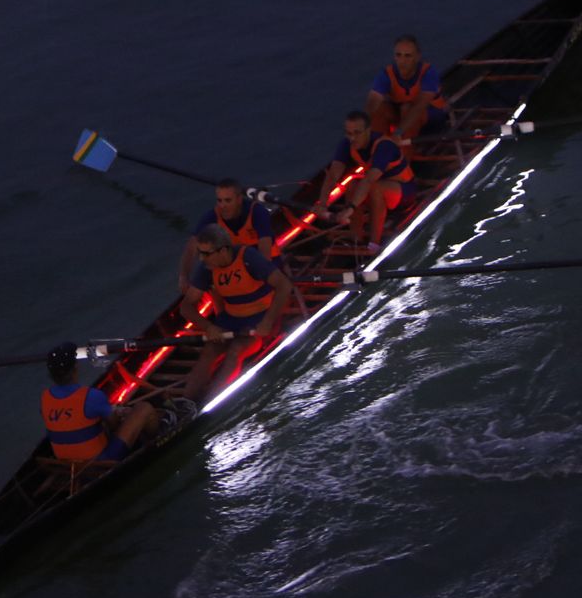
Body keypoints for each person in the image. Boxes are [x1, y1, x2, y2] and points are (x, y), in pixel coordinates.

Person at [179, 224, 292, 403]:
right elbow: (185, 307)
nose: (202, 258)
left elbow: (284, 286)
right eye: (200, 253)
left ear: (223, 250)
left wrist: (268, 322)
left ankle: (212, 402)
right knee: (209, 351)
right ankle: (185, 404)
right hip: (230, 320)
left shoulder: (249, 258)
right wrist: (209, 327)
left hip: (260, 317)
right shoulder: (207, 268)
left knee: (235, 351)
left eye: (206, 253)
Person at [313, 110, 415, 252]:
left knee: (373, 187)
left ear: (368, 131)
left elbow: (369, 180)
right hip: (380, 193)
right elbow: (333, 175)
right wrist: (322, 203)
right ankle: (356, 241)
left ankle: (374, 245)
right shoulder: (346, 145)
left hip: (405, 194)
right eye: (348, 133)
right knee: (352, 185)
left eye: (357, 133)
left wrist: (349, 209)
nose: (352, 138)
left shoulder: (384, 146)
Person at [42, 343, 158, 462]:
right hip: (101, 461)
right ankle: (160, 433)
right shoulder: (91, 396)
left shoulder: (45, 398)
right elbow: (114, 425)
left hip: (66, 463)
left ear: (51, 375)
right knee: (144, 408)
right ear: (76, 367)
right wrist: (122, 414)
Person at [178, 179, 273, 295]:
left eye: (228, 201)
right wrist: (184, 276)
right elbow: (192, 247)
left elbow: (265, 247)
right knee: (207, 264)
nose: (223, 206)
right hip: (236, 263)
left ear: (239, 200)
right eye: (219, 200)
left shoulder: (258, 212)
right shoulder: (212, 216)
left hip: (266, 261)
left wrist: (260, 273)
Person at [364, 35, 449, 139]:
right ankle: (376, 144)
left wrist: (398, 132)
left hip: (432, 117)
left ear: (417, 57)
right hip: (402, 117)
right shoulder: (386, 74)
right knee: (380, 109)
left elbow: (418, 107)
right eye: (398, 55)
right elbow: (373, 101)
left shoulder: (429, 73)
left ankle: (405, 151)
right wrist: (362, 127)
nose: (402, 61)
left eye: (407, 56)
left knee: (407, 108)